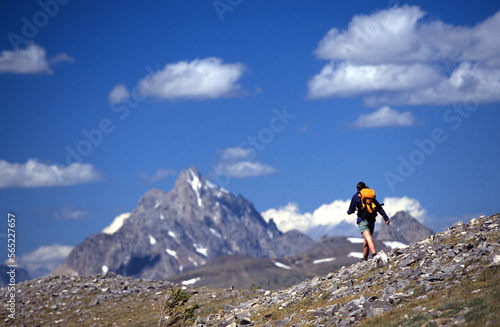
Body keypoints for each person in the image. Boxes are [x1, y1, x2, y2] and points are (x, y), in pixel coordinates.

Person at [347, 182, 390, 260]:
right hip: (372, 220)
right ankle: (364, 259)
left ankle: (375, 256)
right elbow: (379, 207)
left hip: (362, 220)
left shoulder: (357, 196)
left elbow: (351, 209)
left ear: (358, 188)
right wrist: (386, 218)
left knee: (369, 239)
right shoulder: (371, 197)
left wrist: (349, 212)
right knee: (366, 242)